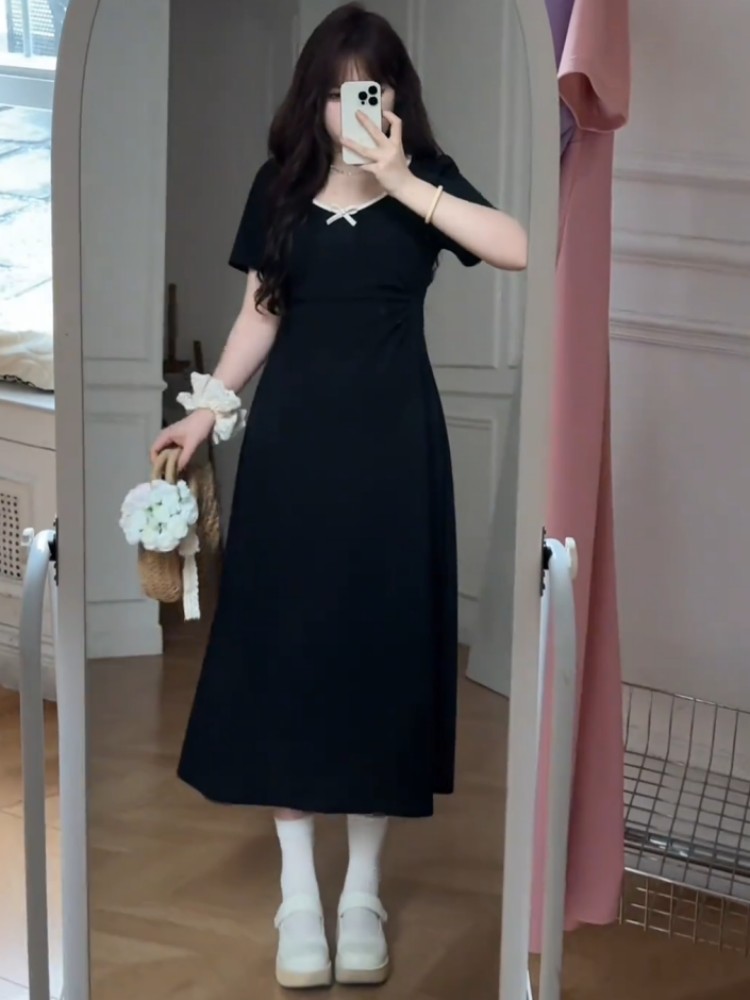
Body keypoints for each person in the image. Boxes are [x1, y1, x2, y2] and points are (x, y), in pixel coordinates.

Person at [151, 2, 527, 990]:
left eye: (369, 87)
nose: (349, 106)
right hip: (292, 452)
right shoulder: (277, 188)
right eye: (333, 90)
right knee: (291, 655)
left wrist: (403, 180)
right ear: (311, 100)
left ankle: (361, 892)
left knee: (378, 658)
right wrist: (205, 414)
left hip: (397, 453)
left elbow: (515, 245)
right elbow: (260, 314)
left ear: (394, 96)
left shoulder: (426, 181)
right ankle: (297, 896)